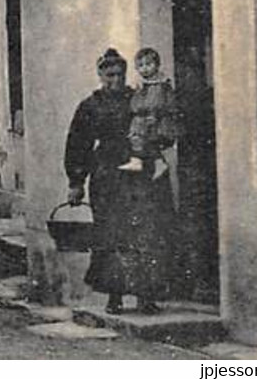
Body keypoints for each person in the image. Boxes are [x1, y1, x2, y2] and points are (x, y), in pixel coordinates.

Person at [65, 48, 175, 315]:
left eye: (120, 74)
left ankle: (146, 296)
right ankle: (114, 297)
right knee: (111, 235)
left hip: (140, 175)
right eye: (110, 74)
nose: (115, 79)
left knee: (146, 232)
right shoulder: (90, 106)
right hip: (107, 177)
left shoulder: (136, 99)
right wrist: (76, 181)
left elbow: (156, 122)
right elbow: (78, 144)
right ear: (101, 74)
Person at [117, 47, 177, 179]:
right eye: (140, 65)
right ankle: (137, 160)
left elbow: (163, 102)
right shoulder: (140, 85)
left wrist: (156, 114)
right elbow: (135, 103)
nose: (145, 68)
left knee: (152, 139)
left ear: (157, 65)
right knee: (135, 137)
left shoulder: (161, 85)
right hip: (142, 118)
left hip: (156, 118)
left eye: (149, 64)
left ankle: (159, 162)